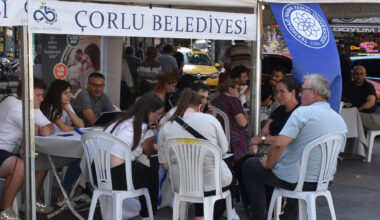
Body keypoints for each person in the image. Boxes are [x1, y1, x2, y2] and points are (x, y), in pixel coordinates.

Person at [243, 74, 347, 220]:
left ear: (314, 93)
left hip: (297, 180)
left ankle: (260, 217)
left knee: (250, 165)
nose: (299, 93)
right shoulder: (339, 120)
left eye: (302, 90)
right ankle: (289, 214)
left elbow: (279, 144)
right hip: (324, 181)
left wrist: (268, 164)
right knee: (293, 166)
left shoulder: (302, 112)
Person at [158, 88, 233, 220]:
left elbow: (165, 165)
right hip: (211, 183)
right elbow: (223, 152)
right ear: (199, 106)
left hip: (181, 185)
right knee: (231, 180)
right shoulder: (210, 120)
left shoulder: (166, 127)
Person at [96, 92, 164, 220]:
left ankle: (147, 212)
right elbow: (148, 152)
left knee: (147, 166)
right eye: (158, 114)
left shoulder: (120, 120)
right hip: (118, 178)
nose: (159, 118)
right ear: (150, 111)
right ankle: (148, 213)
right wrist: (154, 131)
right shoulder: (144, 128)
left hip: (98, 175)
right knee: (153, 163)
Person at [0, 78, 55, 219]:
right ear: (26, 95)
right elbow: (34, 131)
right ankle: (5, 211)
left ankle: (31, 202)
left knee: (43, 161)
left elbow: (50, 126)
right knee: (19, 167)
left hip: (7, 152)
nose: (42, 99)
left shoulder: (32, 108)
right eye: (38, 95)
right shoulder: (14, 103)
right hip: (2, 150)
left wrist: (48, 129)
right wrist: (41, 129)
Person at [40, 79, 89, 207]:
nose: (69, 96)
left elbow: (81, 125)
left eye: (69, 92)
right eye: (65, 93)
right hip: (50, 149)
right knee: (80, 158)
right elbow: (65, 128)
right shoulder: (49, 107)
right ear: (57, 94)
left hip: (63, 145)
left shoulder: (66, 105)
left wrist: (67, 108)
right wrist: (74, 128)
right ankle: (63, 196)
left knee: (86, 156)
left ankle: (77, 194)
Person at [250, 78, 300, 155]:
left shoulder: (300, 112)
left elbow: (288, 139)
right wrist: (255, 144)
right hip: (268, 151)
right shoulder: (278, 110)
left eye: (282, 92)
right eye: (276, 92)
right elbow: (264, 130)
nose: (278, 96)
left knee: (249, 164)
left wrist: (262, 140)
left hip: (286, 154)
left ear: (293, 93)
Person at [342, 65, 380, 131]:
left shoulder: (369, 86)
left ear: (365, 75)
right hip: (353, 115)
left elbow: (370, 103)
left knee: (351, 117)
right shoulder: (347, 86)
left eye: (361, 74)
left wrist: (356, 110)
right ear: (352, 74)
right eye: (356, 73)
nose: (359, 76)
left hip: (370, 116)